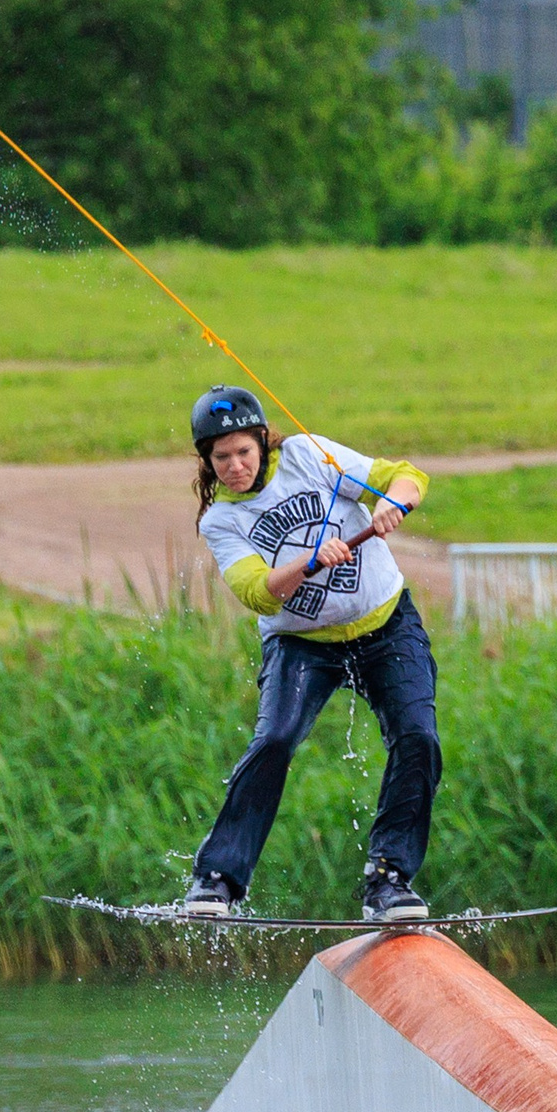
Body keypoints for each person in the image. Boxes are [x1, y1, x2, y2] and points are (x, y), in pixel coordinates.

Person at [183, 385, 439, 921]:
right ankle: (218, 880)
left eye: (243, 452)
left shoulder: (307, 456)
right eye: (221, 457)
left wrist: (396, 501)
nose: (234, 466)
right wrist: (308, 561)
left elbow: (405, 474)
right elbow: (257, 591)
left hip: (386, 625)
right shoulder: (221, 521)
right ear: (207, 461)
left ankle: (389, 879)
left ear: (261, 441)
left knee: (417, 735)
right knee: (275, 738)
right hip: (300, 645)